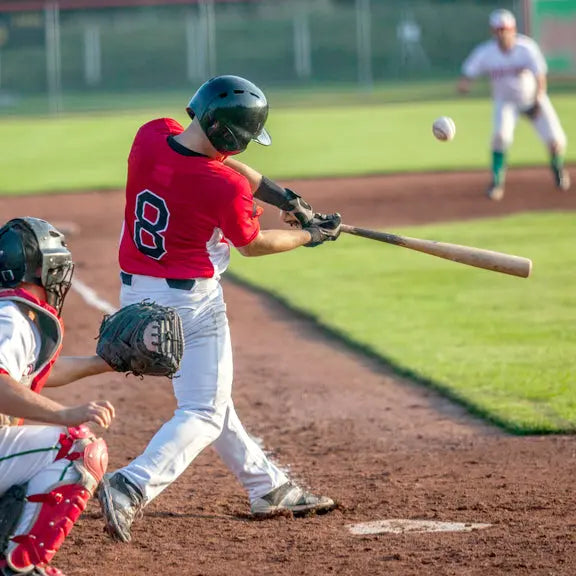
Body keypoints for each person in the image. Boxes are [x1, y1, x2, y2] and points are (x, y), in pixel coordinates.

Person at [98, 74, 341, 543]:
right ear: (230, 136)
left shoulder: (151, 134)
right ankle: (131, 484)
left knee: (209, 398)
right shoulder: (221, 187)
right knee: (203, 411)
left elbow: (225, 168)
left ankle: (268, 488)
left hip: (135, 295)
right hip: (190, 305)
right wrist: (310, 235)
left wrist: (288, 199)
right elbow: (255, 243)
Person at [0, 217, 116, 576]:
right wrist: (67, 415)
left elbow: (29, 375)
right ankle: (21, 565)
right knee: (77, 447)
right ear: (42, 270)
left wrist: (104, 363)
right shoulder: (11, 320)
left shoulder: (10, 314)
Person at [458, 8, 570, 201]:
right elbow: (469, 72)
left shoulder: (526, 48)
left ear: (513, 29)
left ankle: (557, 169)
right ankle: (496, 182)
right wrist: (465, 84)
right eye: (498, 29)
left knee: (555, 140)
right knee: (500, 137)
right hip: (505, 103)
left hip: (534, 98)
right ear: (493, 31)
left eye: (505, 28)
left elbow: (540, 77)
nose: (502, 33)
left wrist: (537, 101)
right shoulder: (486, 52)